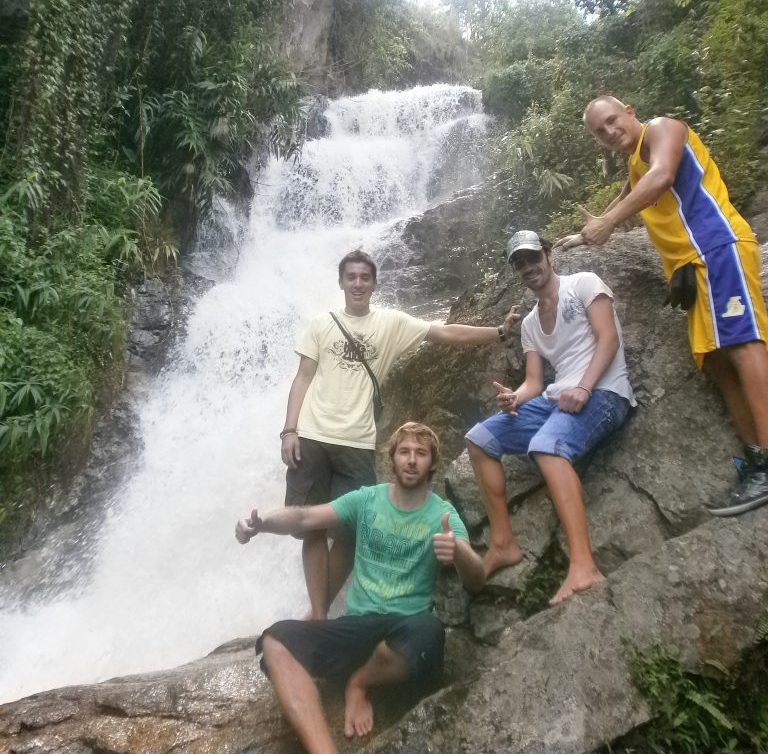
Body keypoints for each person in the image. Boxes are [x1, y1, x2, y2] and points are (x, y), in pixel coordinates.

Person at [557, 96, 768, 516]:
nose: (609, 132)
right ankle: (758, 462)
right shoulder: (635, 161)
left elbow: (661, 177)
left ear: (630, 111)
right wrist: (588, 233)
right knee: (717, 361)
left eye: (612, 121)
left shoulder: (663, 130)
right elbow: (627, 198)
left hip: (716, 247)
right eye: (600, 131)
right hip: (693, 269)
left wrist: (608, 223)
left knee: (744, 345)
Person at [281, 249, 518, 619]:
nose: (358, 283)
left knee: (349, 531)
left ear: (374, 284)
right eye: (351, 277)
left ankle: (320, 609)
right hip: (311, 434)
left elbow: (444, 332)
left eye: (365, 277)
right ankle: (318, 614)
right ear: (341, 282)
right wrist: (289, 429)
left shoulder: (391, 323)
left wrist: (499, 332)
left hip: (358, 440)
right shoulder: (320, 324)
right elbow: (303, 378)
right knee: (310, 524)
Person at [236, 422, 485, 754]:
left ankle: (360, 681)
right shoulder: (368, 499)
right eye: (405, 452)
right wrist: (261, 523)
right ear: (392, 459)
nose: (411, 460)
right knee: (275, 640)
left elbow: (476, 580)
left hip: (405, 629)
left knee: (430, 631)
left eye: (421, 454)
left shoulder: (442, 514)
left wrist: (460, 552)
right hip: (355, 626)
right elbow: (305, 517)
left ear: (432, 463)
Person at [465, 230, 635, 605]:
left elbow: (608, 339)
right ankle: (503, 543)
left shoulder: (585, 284)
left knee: (546, 447)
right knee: (479, 439)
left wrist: (585, 388)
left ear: (547, 253)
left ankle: (583, 566)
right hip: (555, 397)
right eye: (519, 263)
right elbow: (533, 382)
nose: (528, 267)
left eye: (532, 257)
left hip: (605, 393)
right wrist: (514, 398)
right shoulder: (528, 324)